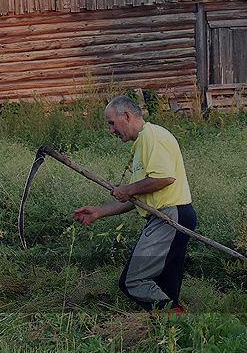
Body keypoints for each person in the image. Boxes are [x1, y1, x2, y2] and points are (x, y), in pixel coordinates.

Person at [73, 96, 196, 314]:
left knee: (133, 281)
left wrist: (128, 189)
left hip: (170, 217)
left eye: (112, 123)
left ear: (127, 116)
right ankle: (175, 331)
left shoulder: (152, 136)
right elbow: (137, 199)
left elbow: (165, 177)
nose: (111, 130)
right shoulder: (141, 145)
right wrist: (99, 212)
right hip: (169, 216)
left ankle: (178, 318)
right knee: (163, 285)